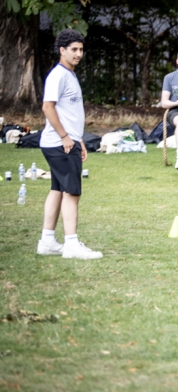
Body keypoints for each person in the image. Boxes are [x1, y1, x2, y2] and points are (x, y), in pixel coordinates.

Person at [37, 29, 102, 259]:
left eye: (81, 50)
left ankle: (47, 241)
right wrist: (66, 137)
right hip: (59, 143)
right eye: (74, 49)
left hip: (66, 141)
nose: (78, 54)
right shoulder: (58, 75)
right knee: (72, 193)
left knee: (58, 190)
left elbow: (70, 112)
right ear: (61, 50)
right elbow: (48, 107)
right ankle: (72, 245)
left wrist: (79, 139)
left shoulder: (70, 74)